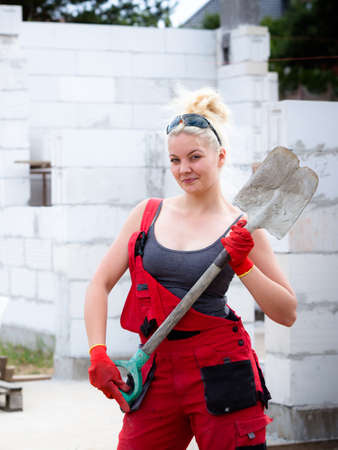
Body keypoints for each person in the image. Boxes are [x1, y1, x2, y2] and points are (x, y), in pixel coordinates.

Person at [84, 87, 297, 450]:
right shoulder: (148, 213)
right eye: (175, 160)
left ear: (221, 157)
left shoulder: (244, 226)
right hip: (157, 364)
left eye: (195, 157)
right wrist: (97, 352)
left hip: (221, 365)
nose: (184, 169)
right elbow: (99, 283)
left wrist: (243, 264)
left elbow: (287, 312)